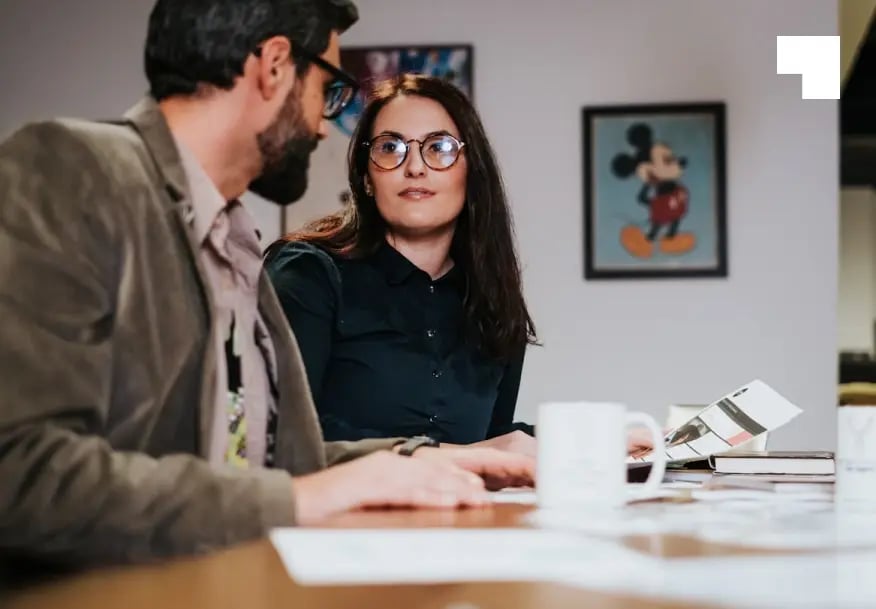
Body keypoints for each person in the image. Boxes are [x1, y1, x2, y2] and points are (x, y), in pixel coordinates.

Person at [0, 0, 534, 571]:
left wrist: (418, 458)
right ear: (275, 66)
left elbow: (265, 458)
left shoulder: (233, 238)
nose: (324, 125)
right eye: (327, 91)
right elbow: (19, 473)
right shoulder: (69, 169)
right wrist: (303, 499)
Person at [265, 75, 540, 457]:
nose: (414, 167)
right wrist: (459, 457)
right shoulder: (308, 274)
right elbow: (281, 440)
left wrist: (589, 440)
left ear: (471, 172)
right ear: (366, 178)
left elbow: (492, 443)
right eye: (390, 147)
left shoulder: (492, 302)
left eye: (439, 147)